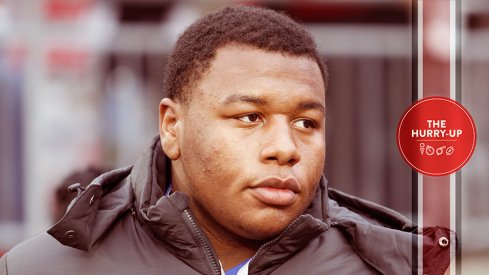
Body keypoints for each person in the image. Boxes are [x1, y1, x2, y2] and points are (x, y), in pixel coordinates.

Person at [1, 6, 451, 274]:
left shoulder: (391, 265)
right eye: (250, 116)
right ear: (172, 126)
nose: (285, 148)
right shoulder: (41, 268)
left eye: (306, 123)